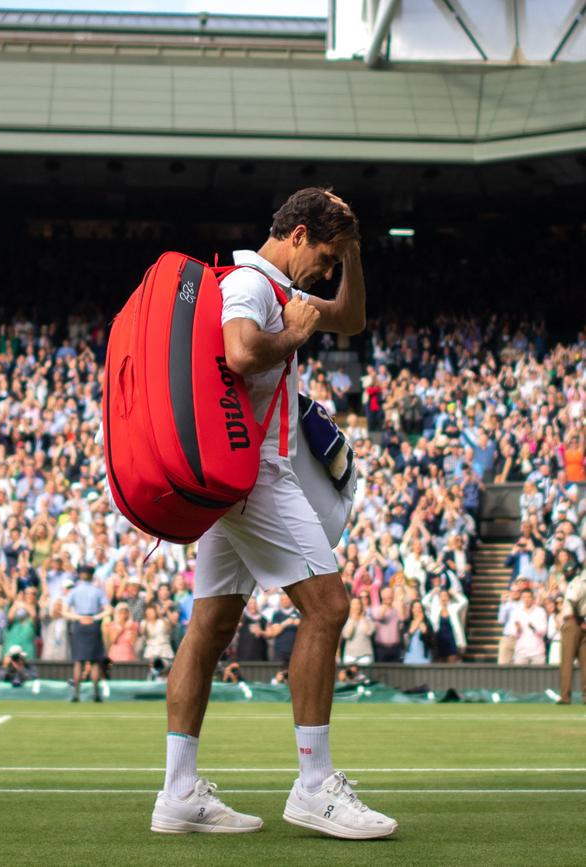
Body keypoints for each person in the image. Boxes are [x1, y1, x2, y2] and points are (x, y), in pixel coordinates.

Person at [151, 188, 398, 839]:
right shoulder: (252, 285)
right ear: (295, 235)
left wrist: (352, 253)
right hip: (256, 476)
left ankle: (178, 792)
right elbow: (239, 351)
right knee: (328, 607)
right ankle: (315, 787)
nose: (324, 267)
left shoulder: (278, 283)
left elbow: (350, 318)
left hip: (236, 478)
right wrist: (292, 331)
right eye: (323, 251)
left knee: (210, 624)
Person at [63, 564, 111, 702]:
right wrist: (94, 617)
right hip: (93, 624)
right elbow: (108, 610)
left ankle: (76, 694)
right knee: (95, 661)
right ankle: (96, 693)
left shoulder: (74, 591)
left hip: (80, 625)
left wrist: (79, 618)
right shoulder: (98, 591)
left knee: (78, 661)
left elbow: (65, 611)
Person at [558, 569, 586, 704]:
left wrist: (580, 620)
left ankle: (565, 697)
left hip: (574, 622)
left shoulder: (578, 582)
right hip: (584, 623)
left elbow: (572, 600)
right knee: (585, 663)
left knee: (567, 662)